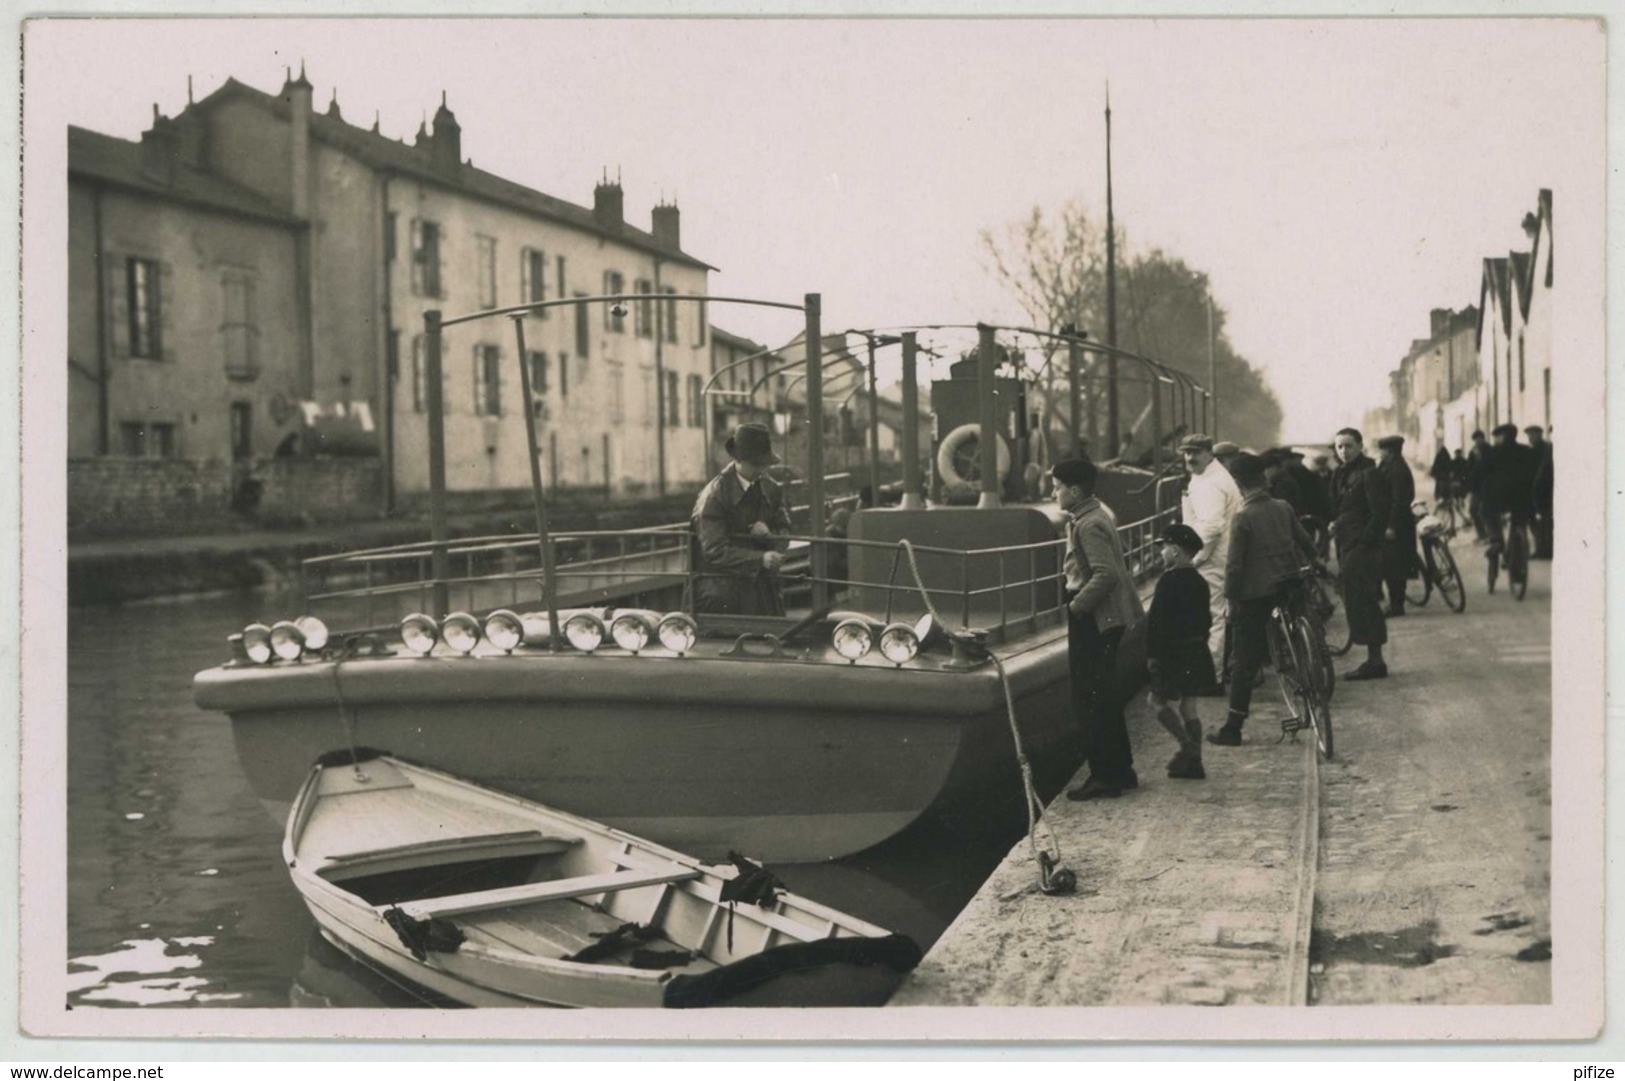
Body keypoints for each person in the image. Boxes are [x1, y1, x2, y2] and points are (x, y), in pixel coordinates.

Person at [1207, 454, 1319, 746]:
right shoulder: (1283, 507)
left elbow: (1234, 566)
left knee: (1244, 660)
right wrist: (1311, 566)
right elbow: (1307, 543)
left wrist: (1231, 600)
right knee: (1296, 633)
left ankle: (1233, 727)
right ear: (1263, 479)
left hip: (1256, 594)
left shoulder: (1243, 517)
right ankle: (1310, 679)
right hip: (1288, 585)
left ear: (1238, 483)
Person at [1053, 457, 1146, 802]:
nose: (1054, 492)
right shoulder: (1094, 515)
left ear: (1074, 491)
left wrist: (1076, 607)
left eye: (1058, 486)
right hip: (1105, 618)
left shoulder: (1088, 523)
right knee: (1105, 695)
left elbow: (1105, 574)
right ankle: (1121, 769)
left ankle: (1104, 776)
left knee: (1090, 699)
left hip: (1095, 618)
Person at [690, 423, 793, 616]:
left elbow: (785, 529)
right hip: (722, 593)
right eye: (756, 464)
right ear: (738, 460)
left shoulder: (772, 489)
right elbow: (714, 550)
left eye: (764, 464)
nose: (761, 470)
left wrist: (769, 536)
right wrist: (760, 559)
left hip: (764, 591)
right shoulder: (714, 496)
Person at [1144, 523, 1214, 779]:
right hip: (1196, 651)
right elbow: (1207, 621)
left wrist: (1153, 656)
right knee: (1189, 708)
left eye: (1163, 548)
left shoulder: (1168, 581)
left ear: (1175, 550)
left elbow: (1156, 624)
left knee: (1155, 702)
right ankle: (1196, 764)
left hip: (1172, 654)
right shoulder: (1200, 582)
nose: (1161, 553)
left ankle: (1188, 747)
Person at [1177, 434, 1242, 690]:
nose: (1190, 458)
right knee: (1213, 616)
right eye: (1186, 453)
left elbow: (1212, 527)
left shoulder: (1211, 483)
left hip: (1212, 558)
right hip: (1217, 555)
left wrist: (1192, 558)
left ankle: (1209, 679)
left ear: (1209, 453)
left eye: (1196, 452)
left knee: (1212, 618)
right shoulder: (1207, 476)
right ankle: (1211, 673)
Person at [1329, 428, 1390, 679]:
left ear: (1360, 446)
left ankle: (1375, 661)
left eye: (1349, 446)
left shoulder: (1369, 474)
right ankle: (1372, 659)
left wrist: (1365, 543)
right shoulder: (1341, 474)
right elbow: (1344, 508)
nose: (1344, 451)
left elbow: (1379, 513)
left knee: (1364, 599)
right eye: (1340, 446)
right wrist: (1336, 523)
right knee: (1355, 597)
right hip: (1347, 543)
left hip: (1362, 547)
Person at [1481, 423, 1539, 573]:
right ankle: (1517, 547)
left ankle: (1496, 540)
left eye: (1498, 436)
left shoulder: (1492, 453)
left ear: (1502, 436)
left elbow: (1479, 475)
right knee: (1519, 520)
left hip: (1497, 501)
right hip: (1522, 500)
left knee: (1486, 512)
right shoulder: (1527, 451)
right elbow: (1535, 474)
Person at [1375, 434, 1418, 617]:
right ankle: (1395, 603)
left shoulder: (1397, 470)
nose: (1380, 453)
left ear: (1390, 452)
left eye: (1382, 450)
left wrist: (1392, 526)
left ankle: (1397, 606)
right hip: (1392, 521)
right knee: (1392, 565)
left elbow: (1399, 501)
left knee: (1395, 567)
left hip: (1397, 523)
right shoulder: (1389, 466)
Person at [1526, 425, 1553, 559]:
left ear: (1539, 435)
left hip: (1543, 490)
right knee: (1538, 521)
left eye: (1531, 435)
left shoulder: (1545, 449)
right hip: (1536, 490)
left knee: (1543, 521)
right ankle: (1542, 548)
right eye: (1528, 436)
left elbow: (1543, 473)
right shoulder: (1536, 449)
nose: (1529, 438)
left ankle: (1544, 550)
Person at [1466, 429, 1491, 541]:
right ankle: (1481, 534)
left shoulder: (1489, 450)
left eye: (1479, 439)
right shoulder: (1472, 452)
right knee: (1473, 510)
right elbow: (1469, 469)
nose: (1477, 441)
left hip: (1487, 486)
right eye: (1475, 439)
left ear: (1483, 438)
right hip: (1476, 487)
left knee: (1485, 511)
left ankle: (1490, 534)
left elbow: (1489, 467)